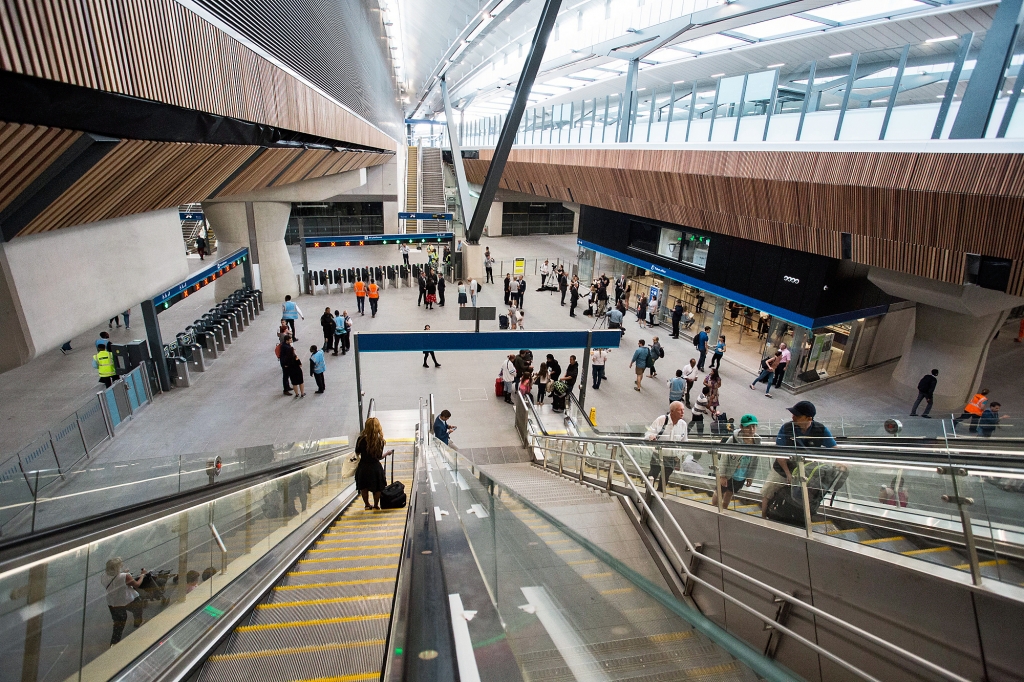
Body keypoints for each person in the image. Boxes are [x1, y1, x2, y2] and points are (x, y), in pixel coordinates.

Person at [764, 401, 836, 517]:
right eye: (793, 414)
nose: (793, 417)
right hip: (783, 468)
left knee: (803, 497)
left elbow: (834, 448)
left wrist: (841, 463)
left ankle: (799, 519)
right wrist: (787, 473)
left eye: (797, 415)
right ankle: (764, 517)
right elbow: (780, 452)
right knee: (769, 491)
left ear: (809, 418)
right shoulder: (787, 428)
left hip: (805, 470)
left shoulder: (820, 430)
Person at [711, 414, 762, 508]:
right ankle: (713, 507)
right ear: (741, 427)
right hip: (728, 473)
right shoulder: (733, 440)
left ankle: (724, 509)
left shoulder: (757, 442)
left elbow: (755, 461)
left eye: (753, 426)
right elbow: (724, 457)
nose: (751, 430)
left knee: (730, 493)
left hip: (741, 475)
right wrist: (722, 475)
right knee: (719, 491)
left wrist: (750, 476)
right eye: (748, 427)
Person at [645, 402, 688, 492]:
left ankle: (659, 494)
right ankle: (647, 492)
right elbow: (648, 432)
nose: (682, 412)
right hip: (658, 454)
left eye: (683, 410)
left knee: (665, 478)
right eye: (680, 410)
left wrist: (679, 456)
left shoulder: (683, 424)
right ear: (672, 411)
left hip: (672, 457)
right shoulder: (661, 420)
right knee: (653, 474)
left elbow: (684, 442)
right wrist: (651, 436)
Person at [103, 558, 147, 646]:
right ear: (117, 567)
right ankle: (138, 623)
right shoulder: (125, 576)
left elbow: (115, 580)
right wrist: (142, 575)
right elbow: (137, 584)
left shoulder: (104, 575)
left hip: (113, 603)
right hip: (127, 600)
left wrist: (123, 572)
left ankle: (114, 644)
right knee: (138, 609)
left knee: (118, 624)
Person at [355, 417, 394, 509]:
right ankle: (376, 505)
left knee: (364, 487)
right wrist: (387, 453)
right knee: (377, 488)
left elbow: (357, 452)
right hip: (375, 467)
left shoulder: (360, 439)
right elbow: (379, 457)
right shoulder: (380, 441)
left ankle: (367, 505)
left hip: (363, 466)